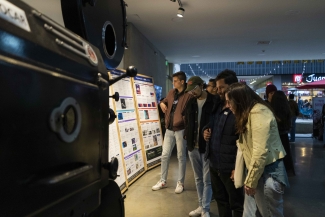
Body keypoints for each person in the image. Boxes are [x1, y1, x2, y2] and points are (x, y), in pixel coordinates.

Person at [225, 83, 289, 217]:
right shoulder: (250, 113)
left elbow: (260, 152)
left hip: (267, 175)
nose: (228, 105)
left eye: (229, 102)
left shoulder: (258, 112)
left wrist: (251, 180)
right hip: (258, 174)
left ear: (239, 100)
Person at [203, 69, 244, 217]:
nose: (218, 91)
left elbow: (245, 142)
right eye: (217, 87)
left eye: (222, 88)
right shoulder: (217, 105)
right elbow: (210, 124)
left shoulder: (240, 109)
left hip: (231, 167)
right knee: (221, 201)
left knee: (237, 204)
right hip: (215, 163)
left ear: (232, 86)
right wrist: (205, 130)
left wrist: (237, 167)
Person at [152, 71, 192, 193]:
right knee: (164, 155)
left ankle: (180, 182)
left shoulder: (188, 95)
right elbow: (165, 101)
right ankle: (163, 180)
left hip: (181, 129)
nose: (173, 83)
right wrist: (162, 103)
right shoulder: (171, 93)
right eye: (173, 81)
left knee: (181, 156)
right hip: (169, 129)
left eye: (175, 81)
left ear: (182, 82)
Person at [183, 76, 215, 217]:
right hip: (192, 146)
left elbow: (216, 121)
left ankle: (205, 209)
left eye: (194, 89)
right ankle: (200, 206)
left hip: (207, 146)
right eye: (190, 90)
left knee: (207, 179)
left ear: (201, 86)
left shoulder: (213, 101)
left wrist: (210, 131)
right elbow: (187, 120)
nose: (192, 92)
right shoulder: (190, 101)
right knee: (198, 178)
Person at [271, 91, 296, 175]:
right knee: (285, 156)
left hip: (274, 137)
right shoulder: (287, 109)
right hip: (284, 136)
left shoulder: (271, 110)